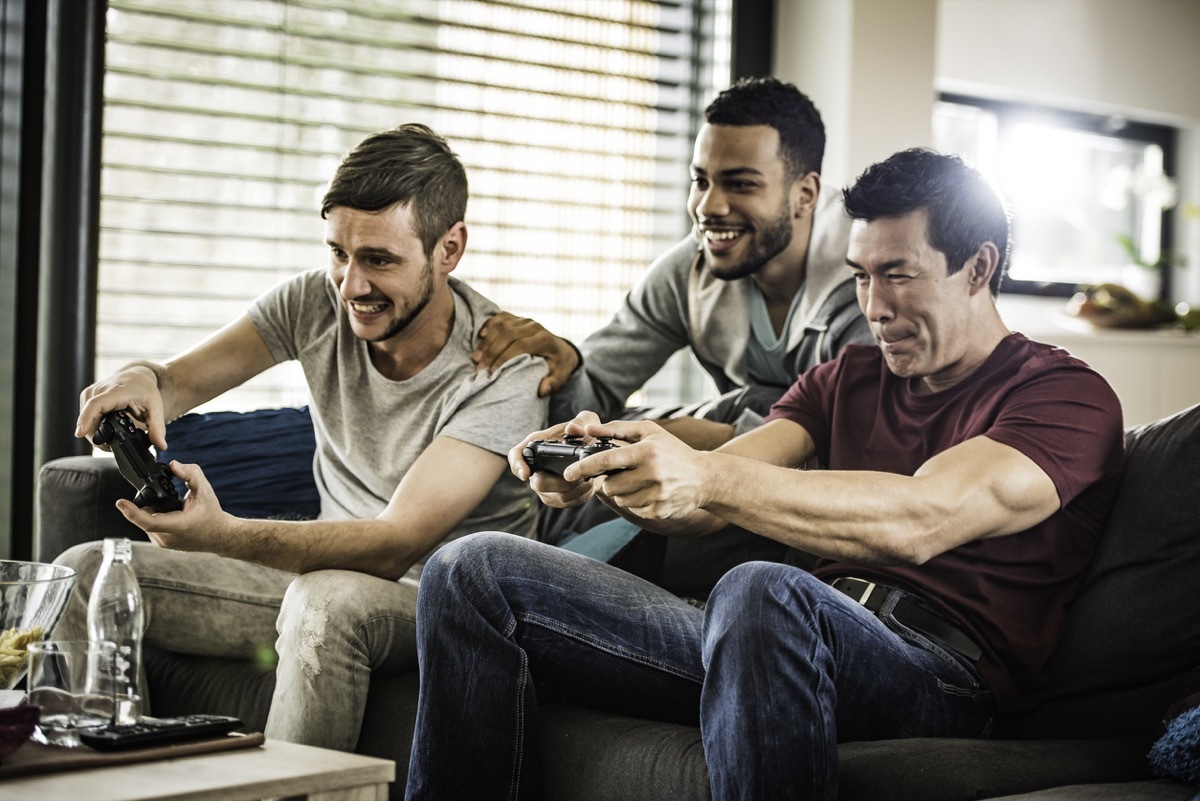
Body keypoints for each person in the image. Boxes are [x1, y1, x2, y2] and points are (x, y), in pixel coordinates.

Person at [403, 148, 1126, 800]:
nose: (875, 308)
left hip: (938, 673)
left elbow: (922, 516)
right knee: (472, 570)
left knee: (761, 588)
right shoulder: (850, 377)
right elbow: (711, 494)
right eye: (862, 276)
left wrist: (707, 480)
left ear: (979, 266)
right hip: (773, 640)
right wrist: (611, 468)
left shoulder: (1063, 396)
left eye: (899, 275)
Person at [53, 124, 548, 753]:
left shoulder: (506, 371)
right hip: (321, 578)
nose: (351, 286)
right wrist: (141, 379)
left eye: (380, 260)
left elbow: (395, 547)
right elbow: (176, 381)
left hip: (435, 603)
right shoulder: (316, 303)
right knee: (82, 572)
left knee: (326, 600)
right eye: (339, 253)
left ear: (449, 249)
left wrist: (224, 535)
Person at [473, 76, 871, 446]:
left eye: (741, 184)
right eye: (701, 181)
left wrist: (718, 435)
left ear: (805, 194)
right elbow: (592, 394)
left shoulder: (869, 281)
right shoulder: (689, 268)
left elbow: (863, 439)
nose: (708, 206)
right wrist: (563, 362)